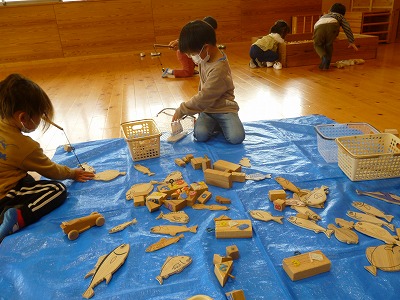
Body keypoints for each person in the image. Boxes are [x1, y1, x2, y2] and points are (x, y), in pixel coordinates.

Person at [0, 74, 94, 242]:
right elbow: (52, 171)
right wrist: (72, 173)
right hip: (6, 194)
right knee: (56, 190)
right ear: (23, 118)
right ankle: (17, 218)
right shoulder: (24, 146)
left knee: (28, 179)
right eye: (41, 115)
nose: (43, 118)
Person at [172, 20, 245, 144]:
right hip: (207, 109)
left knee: (236, 138)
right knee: (200, 135)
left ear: (205, 47)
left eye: (192, 53)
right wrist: (180, 44)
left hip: (224, 109)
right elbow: (199, 36)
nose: (191, 57)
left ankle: (221, 123)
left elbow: (204, 97)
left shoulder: (219, 70)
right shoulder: (207, 53)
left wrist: (182, 110)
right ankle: (217, 124)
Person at [313, 3, 358, 70]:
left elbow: (317, 26)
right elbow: (347, 27)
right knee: (329, 44)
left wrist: (316, 35)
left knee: (317, 44)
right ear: (343, 13)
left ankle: (324, 57)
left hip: (319, 26)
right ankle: (327, 65)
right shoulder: (340, 16)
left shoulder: (324, 16)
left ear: (330, 10)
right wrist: (351, 41)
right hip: (333, 25)